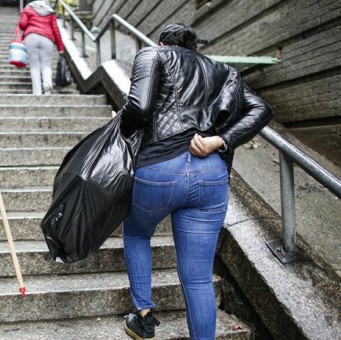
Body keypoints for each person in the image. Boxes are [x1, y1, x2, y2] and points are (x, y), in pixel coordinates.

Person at [117, 23, 273, 340]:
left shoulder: (153, 55)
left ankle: (144, 319)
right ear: (194, 48)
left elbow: (139, 107)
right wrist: (220, 140)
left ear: (162, 43)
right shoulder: (223, 71)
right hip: (211, 173)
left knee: (135, 232)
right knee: (199, 276)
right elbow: (261, 108)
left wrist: (119, 130)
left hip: (160, 168)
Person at [18, 0, 64, 95]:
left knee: (34, 66)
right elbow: (56, 29)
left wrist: (24, 15)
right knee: (46, 64)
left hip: (31, 37)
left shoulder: (28, 8)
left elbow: (22, 25)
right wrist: (60, 47)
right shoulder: (49, 11)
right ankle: (47, 85)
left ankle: (37, 92)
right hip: (47, 38)